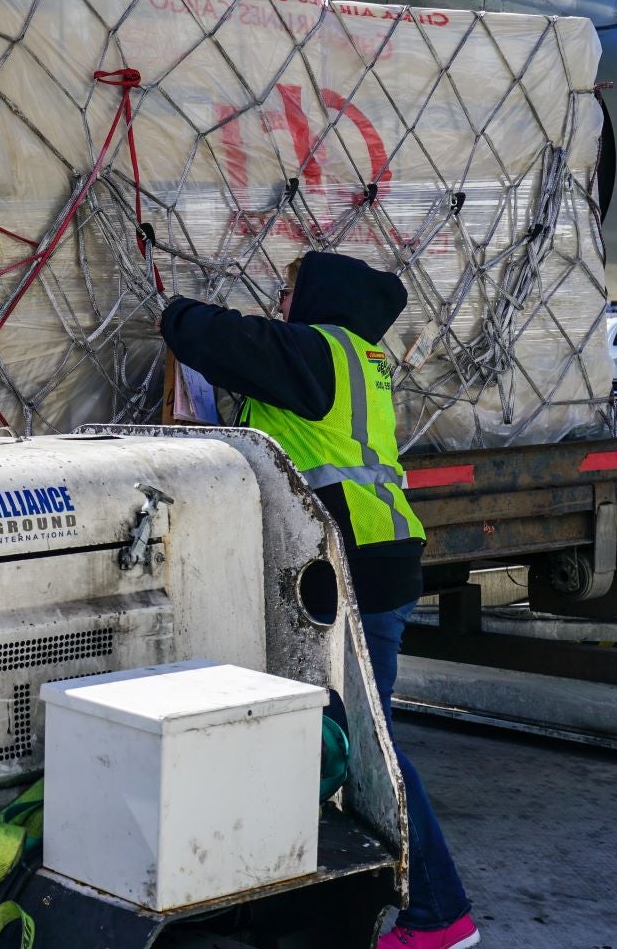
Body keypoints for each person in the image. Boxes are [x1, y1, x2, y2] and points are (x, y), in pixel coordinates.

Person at [159, 251, 477, 949]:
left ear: (320, 297)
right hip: (384, 557)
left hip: (355, 564)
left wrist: (170, 307)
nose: (278, 299)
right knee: (353, 742)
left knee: (370, 752)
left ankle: (439, 916)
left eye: (288, 288)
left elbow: (210, 336)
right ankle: (326, 896)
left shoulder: (320, 351)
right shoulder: (360, 358)